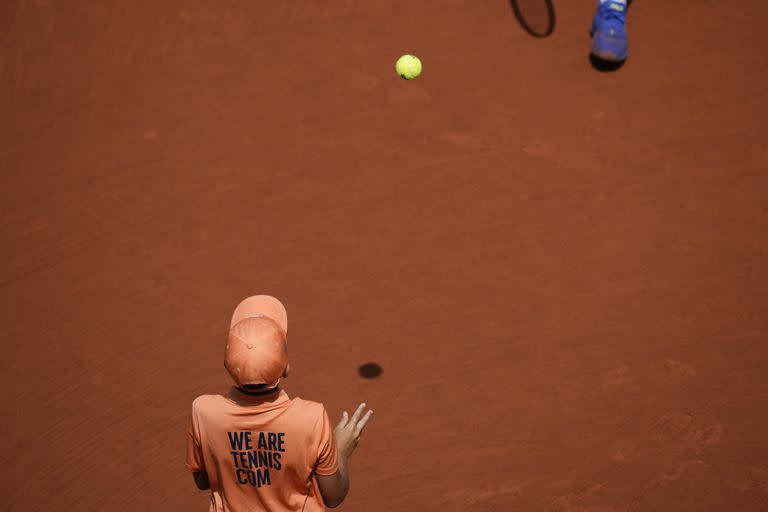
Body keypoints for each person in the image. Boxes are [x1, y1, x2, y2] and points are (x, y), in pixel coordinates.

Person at [185, 295, 373, 511]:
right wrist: (340, 450)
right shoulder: (310, 418)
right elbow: (334, 496)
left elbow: (202, 481)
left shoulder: (203, 411)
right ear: (286, 368)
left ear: (227, 364)